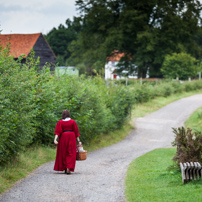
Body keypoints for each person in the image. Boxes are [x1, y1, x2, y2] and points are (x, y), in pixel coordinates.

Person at [53, 110, 81, 174]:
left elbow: (58, 131)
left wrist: (55, 139)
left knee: (63, 152)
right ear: (69, 114)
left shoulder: (60, 122)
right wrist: (79, 141)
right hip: (71, 137)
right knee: (71, 152)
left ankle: (65, 167)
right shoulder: (73, 122)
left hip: (63, 137)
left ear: (63, 115)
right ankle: (68, 167)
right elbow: (76, 132)